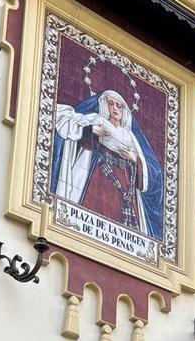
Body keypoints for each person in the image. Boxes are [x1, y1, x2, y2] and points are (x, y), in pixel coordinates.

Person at [51, 88, 164, 239]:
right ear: (105, 105)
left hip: (127, 183)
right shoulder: (98, 120)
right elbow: (67, 122)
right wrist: (90, 130)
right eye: (111, 104)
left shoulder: (130, 136)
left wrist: (134, 158)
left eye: (119, 105)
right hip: (100, 174)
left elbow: (153, 170)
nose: (115, 108)